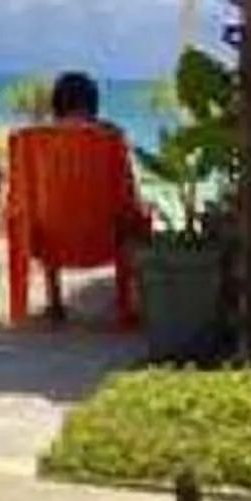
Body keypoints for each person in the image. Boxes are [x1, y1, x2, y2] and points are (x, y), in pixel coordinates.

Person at [21, 69, 153, 325]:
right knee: (136, 218)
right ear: (93, 103)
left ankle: (55, 300)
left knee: (51, 213)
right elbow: (125, 189)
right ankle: (129, 301)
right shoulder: (110, 137)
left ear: (56, 104)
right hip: (102, 235)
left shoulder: (34, 139)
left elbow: (28, 193)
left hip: (48, 237)